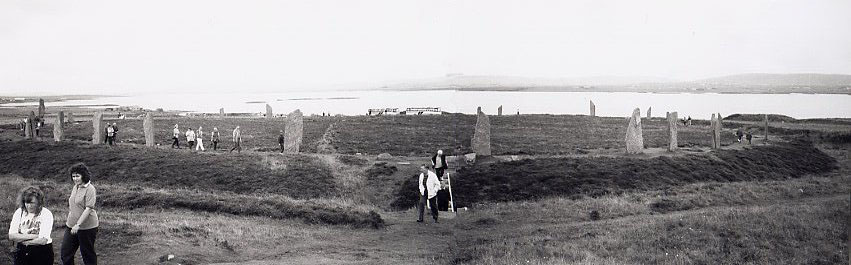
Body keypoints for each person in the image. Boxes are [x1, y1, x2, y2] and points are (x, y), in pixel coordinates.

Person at [61, 163, 99, 265]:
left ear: (84, 175)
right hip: (71, 225)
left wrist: (78, 225)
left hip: (87, 227)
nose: (75, 179)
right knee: (65, 253)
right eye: (73, 176)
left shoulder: (90, 189)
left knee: (87, 254)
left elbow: (88, 209)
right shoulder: (75, 186)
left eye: (77, 176)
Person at [8, 186, 55, 265]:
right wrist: (35, 236)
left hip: (42, 252)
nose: (29, 206)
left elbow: (43, 241)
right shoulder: (19, 212)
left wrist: (22, 239)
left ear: (39, 202)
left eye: (32, 203)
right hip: (21, 251)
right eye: (27, 202)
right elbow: (12, 236)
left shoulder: (46, 214)